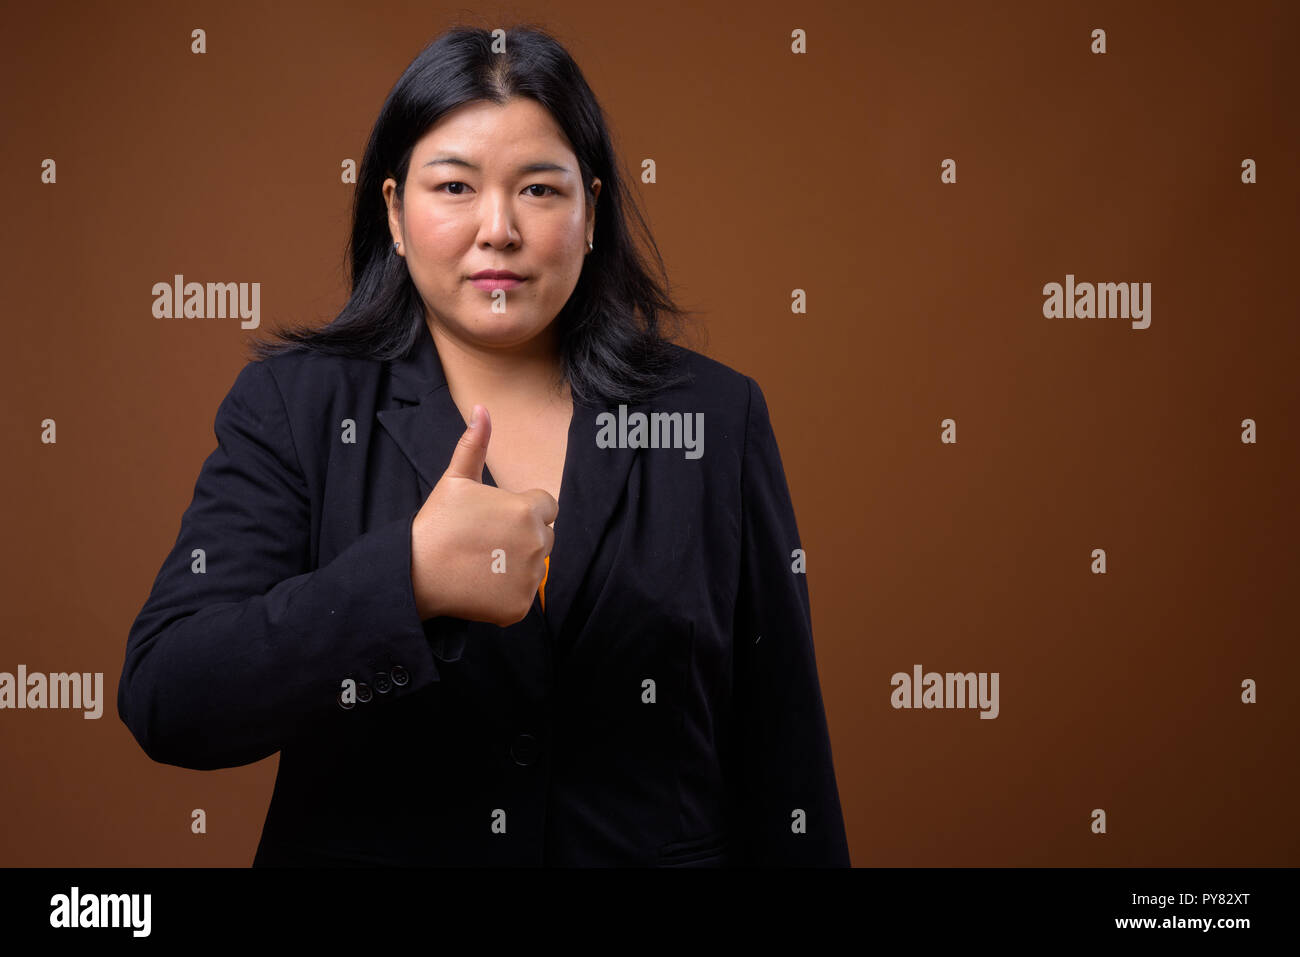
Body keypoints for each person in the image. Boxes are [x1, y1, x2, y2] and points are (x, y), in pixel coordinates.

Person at [118, 24, 850, 867]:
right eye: (455, 186)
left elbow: (784, 751)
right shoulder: (296, 405)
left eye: (540, 190)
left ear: (592, 212)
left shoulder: (718, 417)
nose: (498, 228)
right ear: (393, 211)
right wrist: (408, 578)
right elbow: (170, 697)